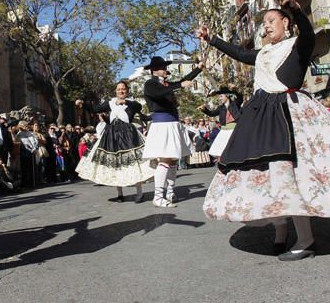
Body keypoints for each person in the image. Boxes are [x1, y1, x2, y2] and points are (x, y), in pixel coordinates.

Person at [200, 0, 330, 261]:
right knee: (271, 175)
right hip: (260, 118)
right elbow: (238, 52)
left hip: (291, 116)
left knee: (293, 176)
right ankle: (280, 230)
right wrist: (210, 39)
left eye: (273, 20)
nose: (267, 25)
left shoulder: (298, 44)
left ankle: (306, 239)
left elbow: (308, 33)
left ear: (286, 23)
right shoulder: (262, 54)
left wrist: (294, 7)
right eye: (265, 22)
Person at [75, 80, 155, 202]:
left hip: (129, 136)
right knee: (116, 165)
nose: (121, 91)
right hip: (112, 136)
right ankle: (120, 194)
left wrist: (125, 101)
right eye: (118, 89)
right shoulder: (110, 103)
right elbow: (95, 108)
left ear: (127, 91)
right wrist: (83, 103)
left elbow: (138, 107)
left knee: (136, 164)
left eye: (123, 89)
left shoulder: (132, 103)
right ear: (115, 91)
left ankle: (139, 193)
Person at [141, 56, 203, 207]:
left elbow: (182, 80)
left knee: (173, 159)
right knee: (165, 159)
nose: (165, 70)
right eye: (163, 67)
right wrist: (180, 85)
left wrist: (198, 69)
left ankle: (169, 192)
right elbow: (159, 93)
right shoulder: (150, 84)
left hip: (172, 124)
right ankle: (158, 197)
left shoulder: (166, 83)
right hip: (162, 125)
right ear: (155, 70)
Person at [200, 88, 241, 159]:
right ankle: (225, 166)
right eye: (219, 97)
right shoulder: (220, 108)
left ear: (227, 96)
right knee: (219, 149)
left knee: (235, 149)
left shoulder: (235, 104)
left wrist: (234, 89)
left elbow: (240, 96)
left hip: (235, 130)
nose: (220, 98)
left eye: (221, 96)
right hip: (224, 130)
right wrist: (204, 109)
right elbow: (212, 114)